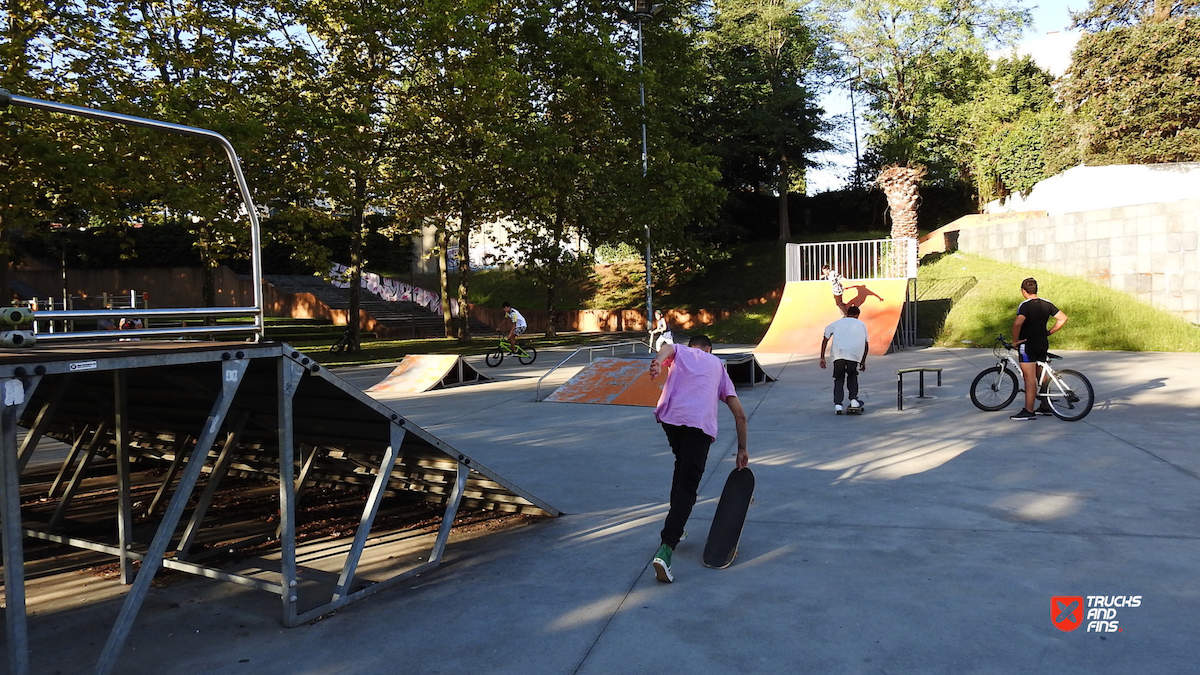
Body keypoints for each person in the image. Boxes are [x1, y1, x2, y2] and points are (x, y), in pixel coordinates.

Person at [647, 335, 749, 583]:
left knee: (681, 467)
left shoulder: (680, 351)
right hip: (698, 427)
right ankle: (666, 547)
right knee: (688, 487)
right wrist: (742, 448)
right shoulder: (717, 364)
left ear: (692, 346)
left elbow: (667, 348)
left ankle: (677, 527)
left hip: (671, 421)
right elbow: (739, 414)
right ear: (709, 349)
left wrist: (658, 362)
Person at [1010, 278, 1068, 420]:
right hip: (1042, 342)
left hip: (1028, 344)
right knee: (1041, 374)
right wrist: (1049, 332)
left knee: (1029, 378)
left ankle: (1028, 411)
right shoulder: (1046, 304)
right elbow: (1062, 318)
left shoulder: (1025, 306)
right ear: (1036, 290)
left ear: (1023, 291)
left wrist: (1015, 341)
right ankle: (1045, 405)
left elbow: (1018, 324)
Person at [819, 305, 869, 414]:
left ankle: (838, 405)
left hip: (838, 354)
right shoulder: (861, 324)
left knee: (839, 378)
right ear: (857, 315)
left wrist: (822, 357)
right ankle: (854, 400)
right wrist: (863, 361)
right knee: (852, 375)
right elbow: (866, 344)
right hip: (853, 355)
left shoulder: (836, 323)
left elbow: (825, 338)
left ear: (847, 314)